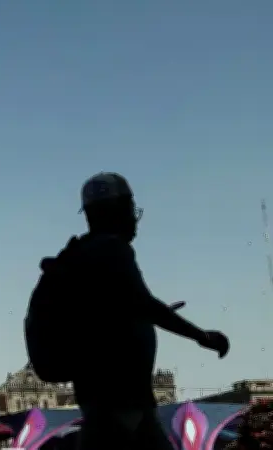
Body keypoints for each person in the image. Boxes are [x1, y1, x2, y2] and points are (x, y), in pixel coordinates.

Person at [66, 172, 231, 449]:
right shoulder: (111, 250)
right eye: (130, 209)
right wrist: (201, 336)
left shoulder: (79, 255)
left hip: (108, 398)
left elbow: (119, 311)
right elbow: (143, 303)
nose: (134, 219)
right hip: (120, 399)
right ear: (118, 211)